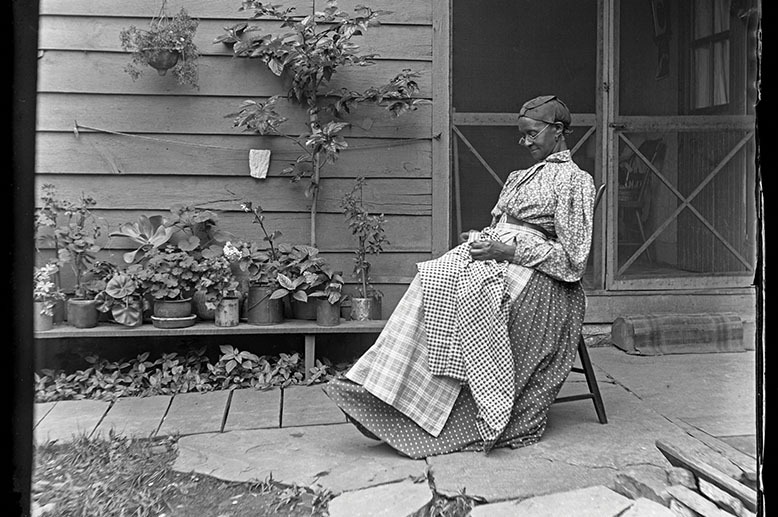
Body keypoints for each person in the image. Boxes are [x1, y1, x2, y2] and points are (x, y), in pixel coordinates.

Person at [323, 95, 596, 459]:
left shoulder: (573, 180)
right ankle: (385, 388)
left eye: (532, 134)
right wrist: (485, 238)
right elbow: (505, 224)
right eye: (522, 136)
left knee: (468, 301)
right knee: (429, 282)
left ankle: (438, 409)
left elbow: (573, 260)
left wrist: (508, 250)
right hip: (498, 255)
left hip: (537, 272)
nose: (526, 142)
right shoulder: (520, 176)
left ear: (558, 131)